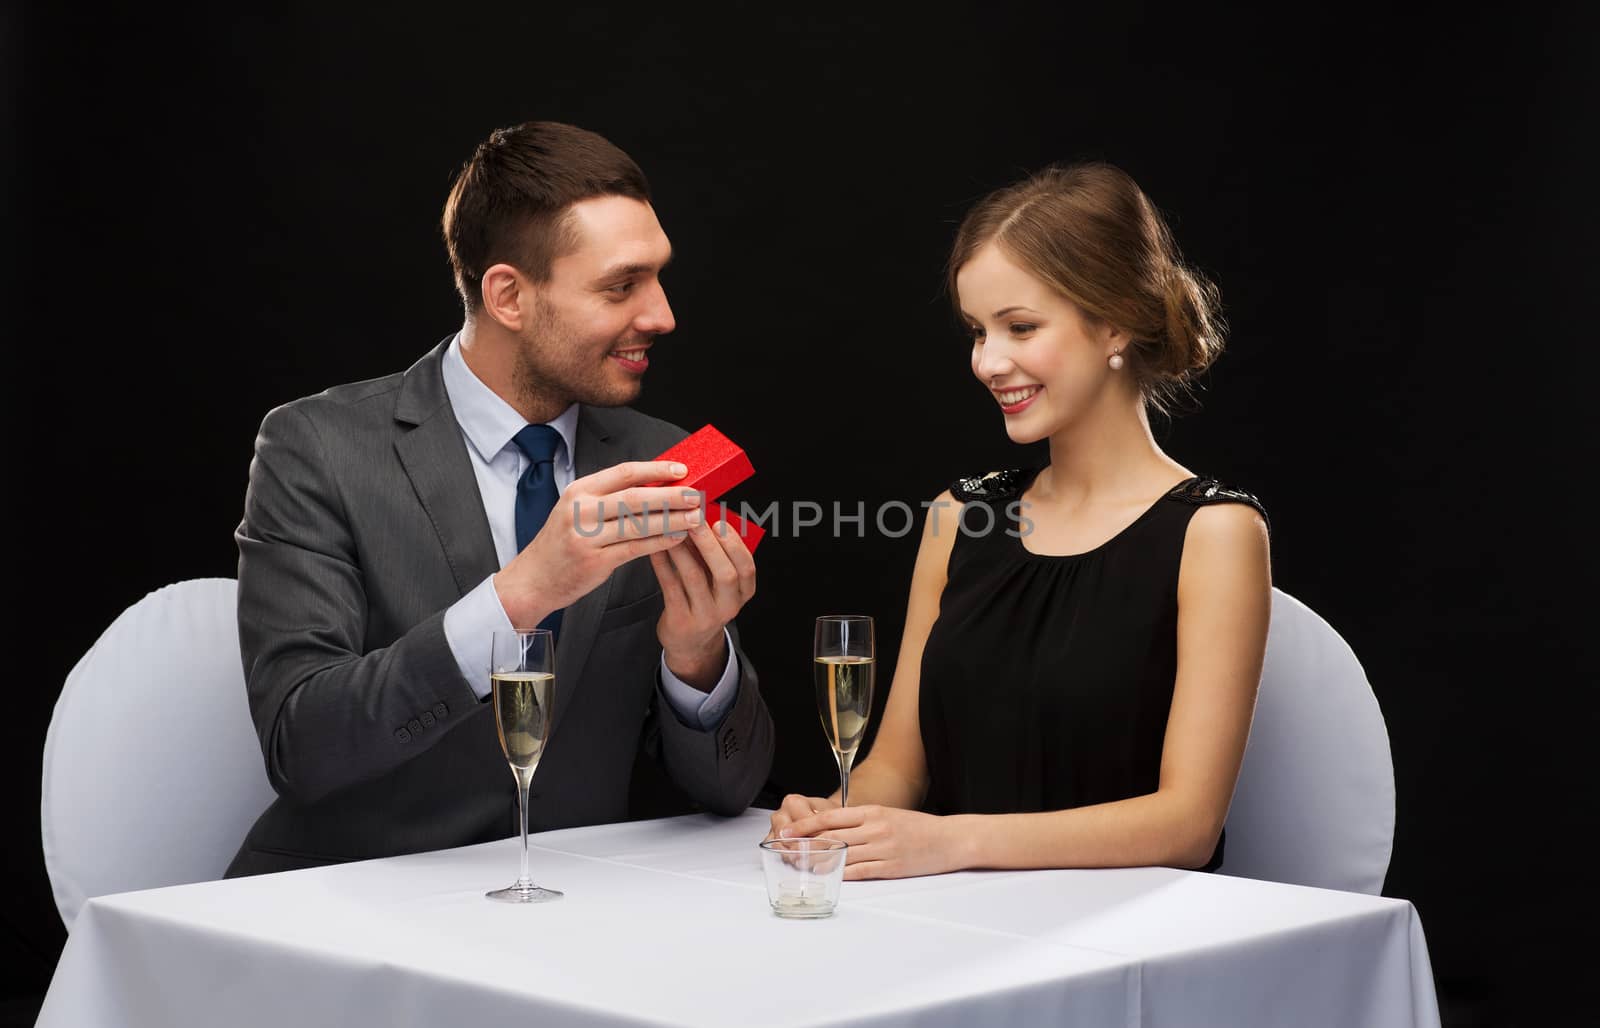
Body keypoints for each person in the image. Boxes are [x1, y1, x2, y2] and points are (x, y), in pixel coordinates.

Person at [227, 121, 774, 877]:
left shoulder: (658, 458)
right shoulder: (316, 448)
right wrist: (521, 594)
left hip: (574, 912)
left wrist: (696, 659)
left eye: (658, 277)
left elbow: (732, 789)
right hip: (353, 906)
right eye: (622, 286)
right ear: (509, 296)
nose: (662, 315)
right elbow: (304, 746)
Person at [768, 162, 1272, 879]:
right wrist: (834, 814)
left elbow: (1185, 824)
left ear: (1116, 322)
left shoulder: (1215, 533)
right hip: (954, 919)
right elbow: (895, 772)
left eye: (1020, 328)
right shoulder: (958, 517)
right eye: (978, 332)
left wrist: (955, 842)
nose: (987, 361)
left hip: (1126, 946)